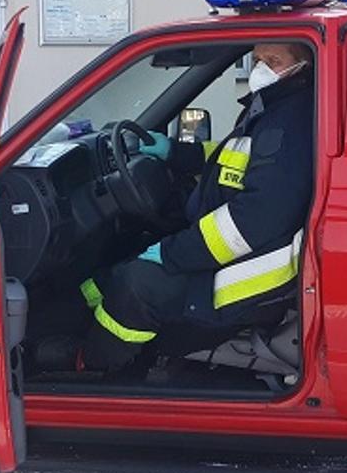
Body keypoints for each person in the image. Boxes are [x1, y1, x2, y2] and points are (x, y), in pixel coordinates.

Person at [72, 42, 316, 372]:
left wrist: (173, 252)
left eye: (273, 61)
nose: (260, 68)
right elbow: (233, 159)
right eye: (257, 60)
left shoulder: (289, 123)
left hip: (260, 270)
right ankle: (72, 318)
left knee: (139, 286)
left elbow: (253, 222)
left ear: (303, 65)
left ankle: (92, 370)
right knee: (129, 256)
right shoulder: (274, 108)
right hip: (247, 251)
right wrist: (173, 152)